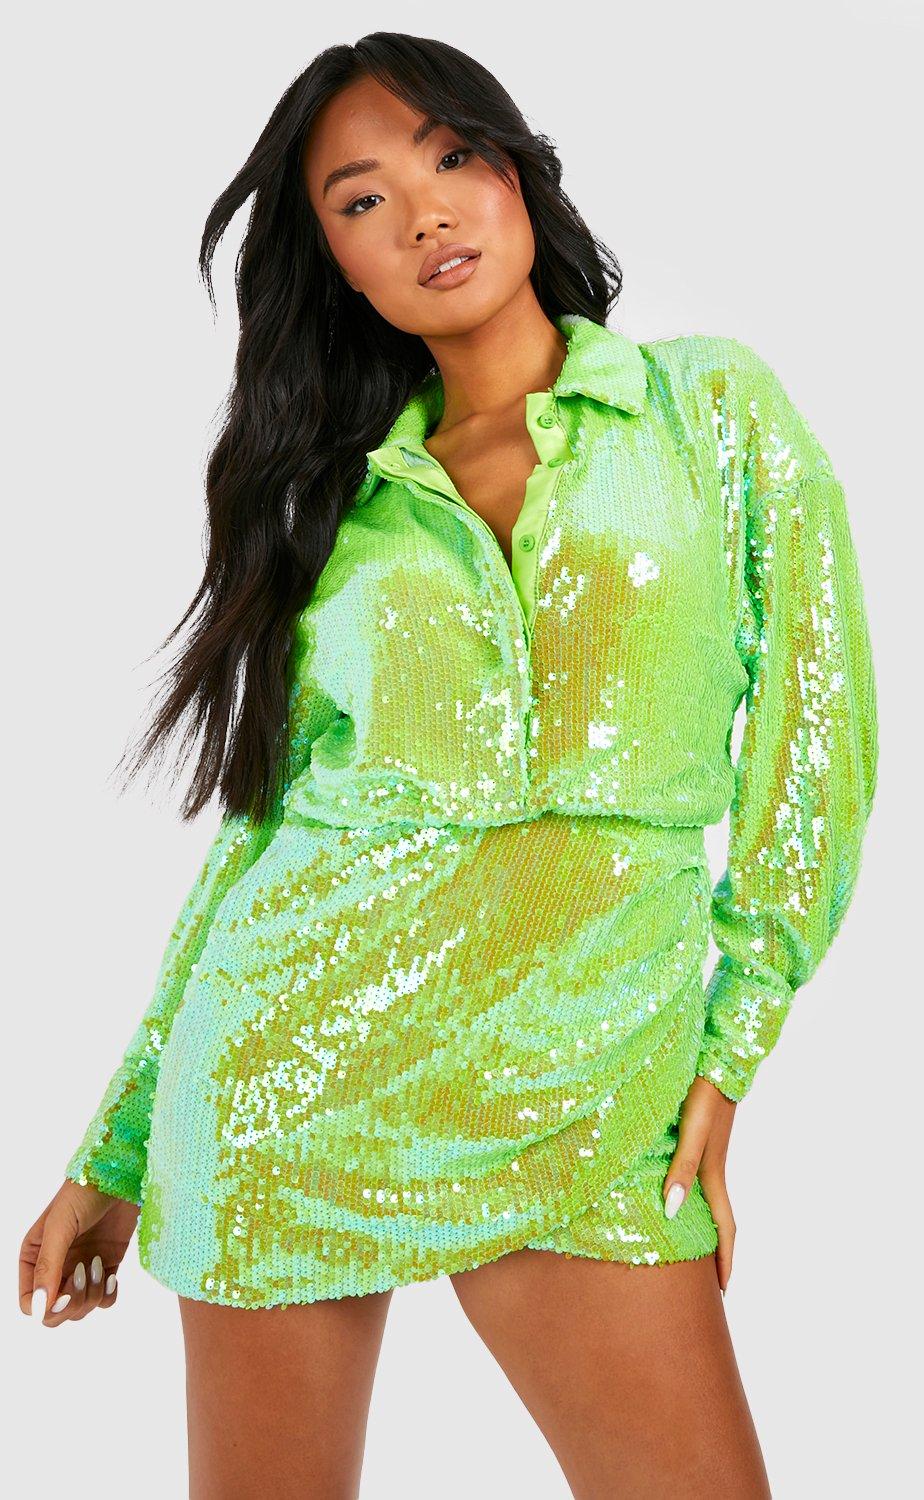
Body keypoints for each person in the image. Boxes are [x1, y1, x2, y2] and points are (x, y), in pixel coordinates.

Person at [18, 31, 878, 1499]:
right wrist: (118, 1144)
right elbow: (265, 835)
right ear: (339, 267)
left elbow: (817, 741)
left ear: (517, 175)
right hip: (291, 1082)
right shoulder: (336, 514)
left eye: (451, 158)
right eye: (361, 201)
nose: (421, 214)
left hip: (593, 1087)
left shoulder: (712, 413)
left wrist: (734, 1044)